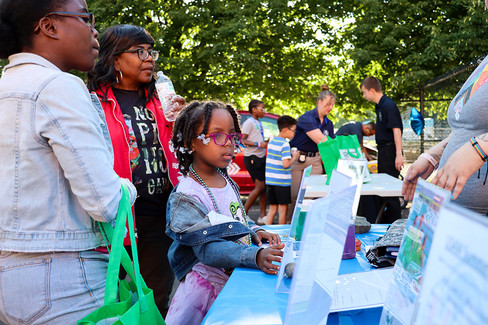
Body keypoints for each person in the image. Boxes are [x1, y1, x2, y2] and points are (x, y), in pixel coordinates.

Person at [0, 0, 137, 323]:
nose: (96, 32)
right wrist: (127, 187)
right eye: (86, 18)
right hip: (63, 282)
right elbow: (106, 203)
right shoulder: (58, 86)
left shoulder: (6, 87)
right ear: (49, 26)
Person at [87, 24, 184, 317]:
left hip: (159, 214)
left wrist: (184, 120)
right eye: (139, 51)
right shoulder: (92, 100)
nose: (149, 58)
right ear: (116, 58)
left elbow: (180, 150)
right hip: (115, 217)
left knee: (155, 300)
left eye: (150, 51)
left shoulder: (161, 98)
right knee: (106, 299)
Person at [165, 101, 284, 324]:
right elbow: (207, 250)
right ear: (193, 142)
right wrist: (255, 256)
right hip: (204, 291)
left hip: (233, 278)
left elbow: (235, 215)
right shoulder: (187, 195)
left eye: (233, 136)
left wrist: (254, 229)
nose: (229, 144)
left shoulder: (225, 179)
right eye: (218, 136)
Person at [402, 0, 488, 214]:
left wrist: (480, 149)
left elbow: (478, 142)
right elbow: (473, 129)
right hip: (460, 215)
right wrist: (433, 156)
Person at [288, 84, 336, 222]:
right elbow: (321, 140)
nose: (330, 108)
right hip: (298, 160)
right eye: (328, 104)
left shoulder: (329, 123)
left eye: (332, 105)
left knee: (312, 196)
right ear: (319, 102)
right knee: (296, 196)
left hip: (315, 160)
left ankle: (311, 224)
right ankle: (292, 225)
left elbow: (330, 146)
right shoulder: (306, 118)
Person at [360, 77, 404, 222]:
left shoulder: (388, 105)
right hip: (383, 151)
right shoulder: (379, 106)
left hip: (391, 150)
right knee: (384, 188)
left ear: (372, 90)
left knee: (391, 189)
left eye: (364, 92)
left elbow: (396, 130)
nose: (364, 96)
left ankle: (394, 222)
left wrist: (398, 154)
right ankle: (386, 219)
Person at [264, 115, 300, 225]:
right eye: (293, 130)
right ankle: (281, 234)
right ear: (285, 129)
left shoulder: (272, 141)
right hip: (282, 182)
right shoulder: (285, 144)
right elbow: (286, 164)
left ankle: (267, 231)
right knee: (283, 210)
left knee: (272, 209)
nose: (294, 133)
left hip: (270, 181)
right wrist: (295, 156)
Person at [241, 99, 268, 223]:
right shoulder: (249, 122)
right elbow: (242, 140)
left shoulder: (258, 122)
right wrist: (258, 144)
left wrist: (266, 142)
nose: (264, 111)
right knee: (260, 187)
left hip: (261, 157)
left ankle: (262, 216)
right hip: (253, 158)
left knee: (263, 188)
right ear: (254, 109)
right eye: (262, 109)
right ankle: (243, 213)